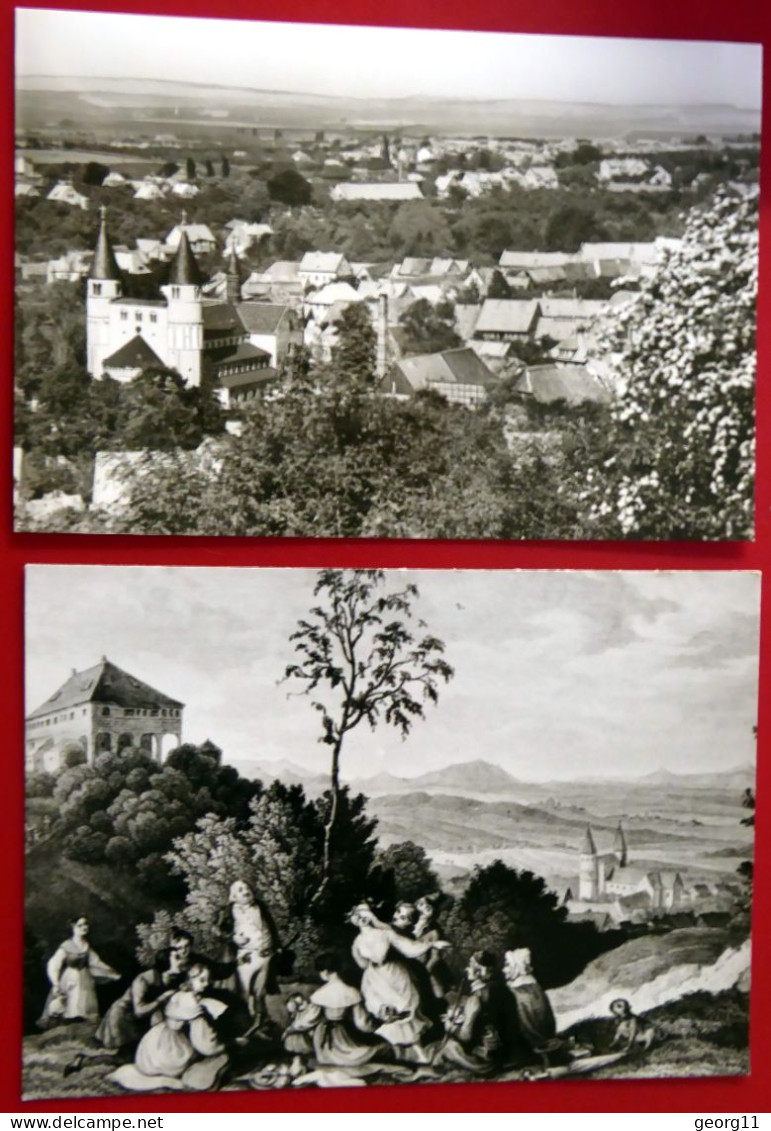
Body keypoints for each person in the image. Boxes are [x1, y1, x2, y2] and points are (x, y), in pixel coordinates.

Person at [349, 902, 450, 1057]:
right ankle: (399, 1054)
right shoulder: (357, 942)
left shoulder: (385, 933)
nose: (361, 918)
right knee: (387, 1016)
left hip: (396, 975)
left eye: (365, 914)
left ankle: (420, 1053)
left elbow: (409, 948)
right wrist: (372, 971)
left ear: (370, 916)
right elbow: (361, 963)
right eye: (358, 915)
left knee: (405, 1012)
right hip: (374, 980)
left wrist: (432, 944)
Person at [108, 963, 229, 1093]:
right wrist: (223, 1046)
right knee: (193, 1057)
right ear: (190, 979)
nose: (206, 984)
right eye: (202, 980)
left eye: (208, 980)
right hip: (169, 1051)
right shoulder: (191, 1001)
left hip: (152, 1045)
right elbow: (202, 1042)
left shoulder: (178, 994)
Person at [95, 946, 187, 1054]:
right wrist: (163, 998)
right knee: (123, 1057)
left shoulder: (172, 978)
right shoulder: (144, 979)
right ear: (165, 961)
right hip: (123, 1019)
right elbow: (139, 1011)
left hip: (143, 1022)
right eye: (177, 958)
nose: (181, 961)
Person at [309, 951, 390, 1069]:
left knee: (336, 1056)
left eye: (320, 971)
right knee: (355, 1053)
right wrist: (376, 1027)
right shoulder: (352, 992)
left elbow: (310, 1018)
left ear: (325, 971)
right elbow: (362, 1023)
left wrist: (295, 1026)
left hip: (324, 1036)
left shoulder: (319, 994)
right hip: (344, 1033)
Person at [39, 915, 120, 1028]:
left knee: (84, 1005)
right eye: (80, 925)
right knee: (68, 1005)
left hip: (84, 978)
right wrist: (55, 983)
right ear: (73, 928)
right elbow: (53, 964)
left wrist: (110, 971)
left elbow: (96, 962)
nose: (84, 927)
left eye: (85, 924)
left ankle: (80, 1027)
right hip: (69, 978)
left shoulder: (86, 946)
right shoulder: (66, 946)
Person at [219, 880, 280, 1028]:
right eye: (240, 890)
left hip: (265, 954)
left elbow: (270, 926)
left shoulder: (260, 906)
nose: (246, 891)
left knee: (260, 993)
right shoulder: (228, 911)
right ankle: (244, 1024)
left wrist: (276, 945)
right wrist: (234, 938)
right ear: (233, 896)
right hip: (245, 956)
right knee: (244, 992)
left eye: (247, 887)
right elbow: (219, 932)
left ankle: (260, 1022)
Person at [435, 951, 508, 1073]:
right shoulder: (494, 989)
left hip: (484, 1058)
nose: (466, 969)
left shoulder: (474, 999)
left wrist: (450, 1026)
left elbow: (466, 1036)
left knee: (448, 1047)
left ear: (479, 971)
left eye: (470, 965)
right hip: (500, 1052)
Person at [503, 948, 567, 1069]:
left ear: (517, 967)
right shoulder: (535, 986)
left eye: (507, 965)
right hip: (543, 1037)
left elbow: (524, 1026)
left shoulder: (517, 992)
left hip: (532, 1045)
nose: (503, 969)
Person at [413, 894, 453, 1002]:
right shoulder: (409, 924)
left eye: (429, 905)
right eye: (421, 903)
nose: (426, 905)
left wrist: (423, 972)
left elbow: (435, 958)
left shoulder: (434, 931)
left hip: (427, 969)